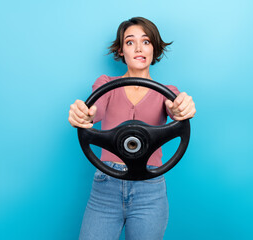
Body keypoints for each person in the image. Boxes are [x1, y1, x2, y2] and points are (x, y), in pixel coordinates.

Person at [68, 17, 196, 240]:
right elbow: (94, 109)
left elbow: (174, 109)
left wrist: (182, 109)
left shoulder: (168, 91)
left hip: (150, 189)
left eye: (146, 42)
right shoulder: (105, 83)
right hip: (106, 185)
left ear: (154, 48)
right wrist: (83, 114)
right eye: (130, 42)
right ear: (120, 51)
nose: (138, 48)